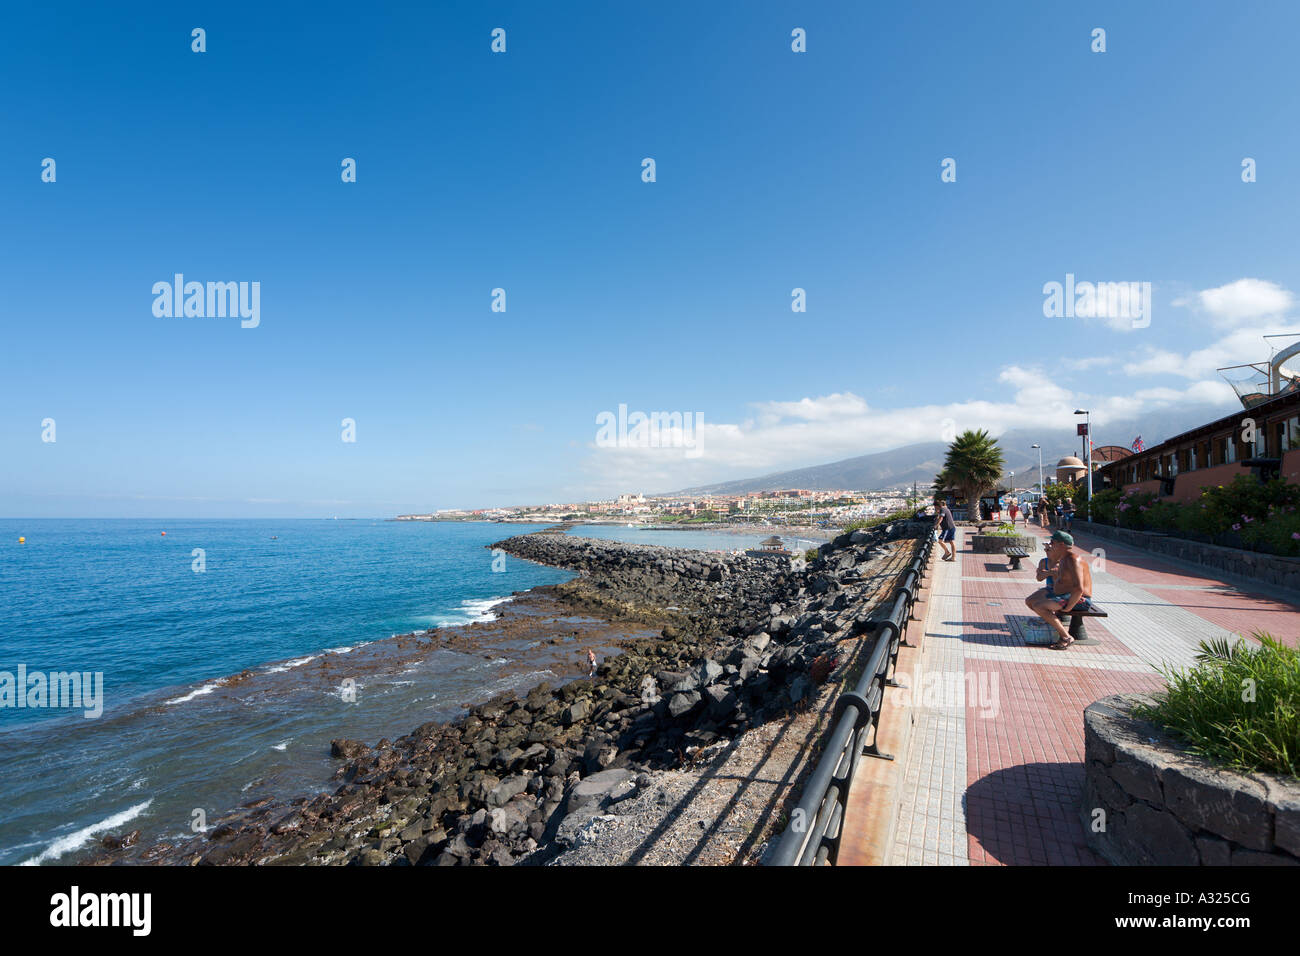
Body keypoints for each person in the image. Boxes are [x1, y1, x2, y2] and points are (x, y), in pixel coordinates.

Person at [1024, 530, 1093, 650]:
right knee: (1030, 600)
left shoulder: (1073, 560)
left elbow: (1078, 588)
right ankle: (1052, 624)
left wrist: (1069, 607)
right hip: (1063, 594)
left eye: (1052, 542)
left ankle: (1066, 637)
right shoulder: (1064, 558)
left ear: (1061, 545)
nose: (1050, 545)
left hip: (1079, 599)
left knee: (1039, 606)